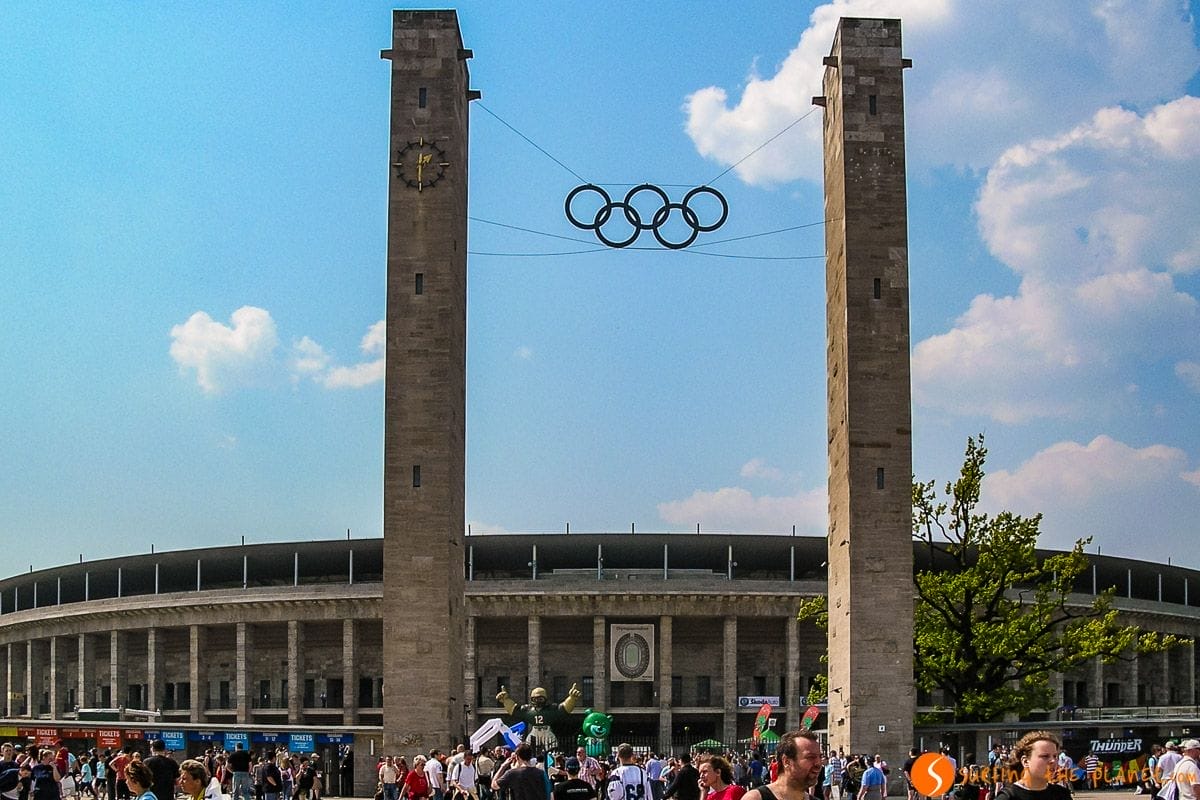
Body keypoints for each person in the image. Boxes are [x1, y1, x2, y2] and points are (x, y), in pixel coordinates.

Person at [743, 731, 824, 800]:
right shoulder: (756, 798)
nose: (818, 763)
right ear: (786, 761)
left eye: (820, 757)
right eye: (810, 757)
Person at [992, 731, 1071, 800]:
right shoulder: (1008, 797)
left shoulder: (1062, 794)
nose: (1053, 761)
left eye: (1055, 756)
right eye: (1045, 756)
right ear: (1025, 761)